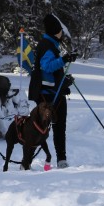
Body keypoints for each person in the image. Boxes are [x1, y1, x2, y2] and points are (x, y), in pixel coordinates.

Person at [37, 13, 78, 168]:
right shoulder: (47, 45)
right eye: (60, 30)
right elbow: (46, 66)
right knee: (45, 128)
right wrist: (64, 59)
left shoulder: (52, 44)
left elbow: (53, 70)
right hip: (48, 97)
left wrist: (64, 80)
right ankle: (31, 159)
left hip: (55, 93)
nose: (61, 32)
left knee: (59, 127)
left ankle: (61, 159)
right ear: (55, 31)